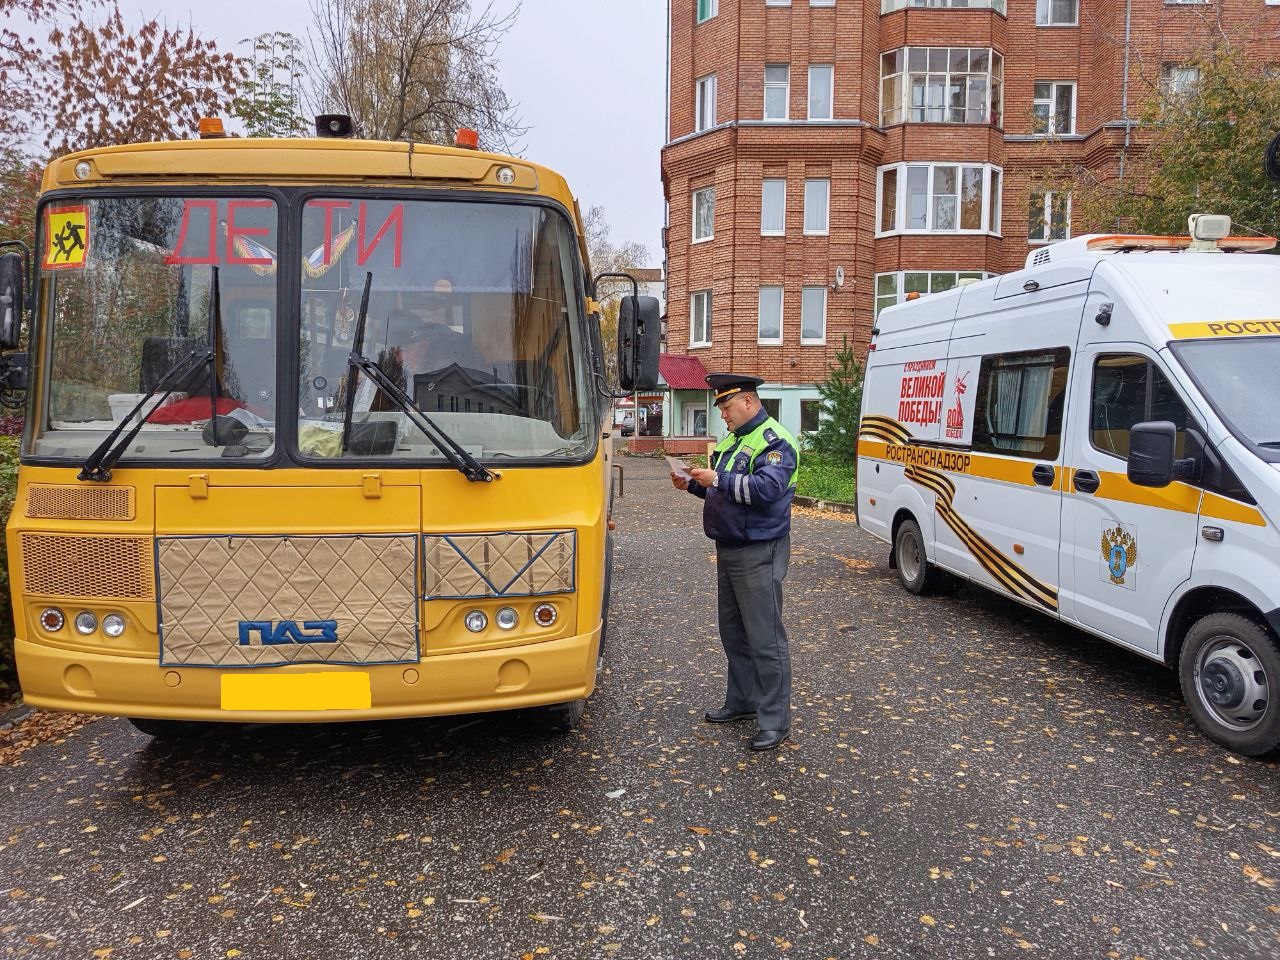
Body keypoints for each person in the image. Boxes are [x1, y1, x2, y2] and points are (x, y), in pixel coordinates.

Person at [671, 372, 800, 751]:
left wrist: (717, 480)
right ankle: (743, 701)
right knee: (734, 631)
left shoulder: (775, 442)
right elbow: (725, 489)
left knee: (765, 637)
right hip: (729, 547)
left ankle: (775, 720)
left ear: (747, 401)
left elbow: (766, 489)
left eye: (726, 406)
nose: (722, 415)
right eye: (721, 408)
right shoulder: (735, 439)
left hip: (759, 549)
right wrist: (694, 483)